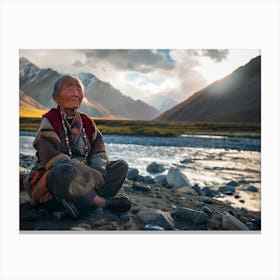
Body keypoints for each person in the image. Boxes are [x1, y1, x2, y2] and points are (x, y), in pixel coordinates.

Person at [23, 75, 131, 218]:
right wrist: (83, 170)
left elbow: (99, 148)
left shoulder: (87, 122)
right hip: (58, 179)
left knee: (121, 167)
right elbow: (50, 156)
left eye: (78, 90)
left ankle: (78, 201)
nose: (75, 93)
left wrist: (97, 169)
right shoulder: (49, 121)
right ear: (56, 98)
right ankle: (99, 202)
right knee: (62, 172)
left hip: (86, 178)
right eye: (69, 89)